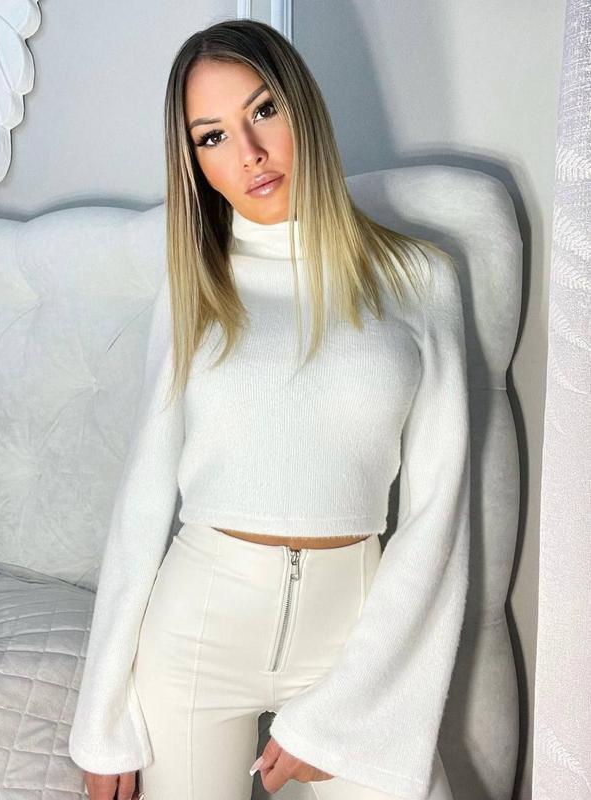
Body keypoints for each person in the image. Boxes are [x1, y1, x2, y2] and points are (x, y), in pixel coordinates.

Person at [68, 18, 471, 800]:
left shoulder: (421, 278)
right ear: (195, 163)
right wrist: (102, 715)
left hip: (352, 635)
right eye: (212, 137)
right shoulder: (193, 288)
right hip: (197, 634)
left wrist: (352, 705)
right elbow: (143, 499)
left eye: (262, 110)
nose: (248, 153)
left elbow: (439, 513)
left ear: (302, 108)